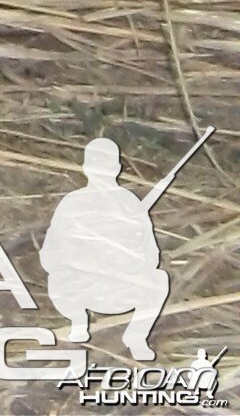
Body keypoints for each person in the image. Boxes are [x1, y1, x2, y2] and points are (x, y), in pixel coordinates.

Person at [42, 137, 173, 359]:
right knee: (58, 278)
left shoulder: (130, 204)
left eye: (106, 165)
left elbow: (151, 253)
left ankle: (136, 336)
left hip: (122, 286)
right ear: (85, 168)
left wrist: (126, 260)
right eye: (96, 165)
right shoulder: (72, 203)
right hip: (82, 286)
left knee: (158, 280)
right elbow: (50, 253)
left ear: (117, 169)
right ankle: (78, 321)